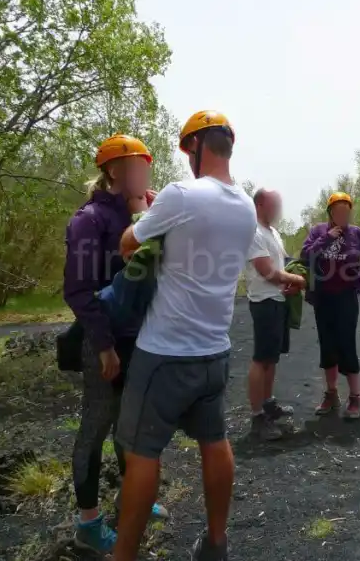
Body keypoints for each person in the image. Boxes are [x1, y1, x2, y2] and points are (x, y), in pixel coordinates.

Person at [112, 111, 256, 561]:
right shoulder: (246, 205)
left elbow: (127, 245)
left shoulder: (179, 195)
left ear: (196, 148)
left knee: (141, 454)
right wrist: (165, 213)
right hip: (214, 352)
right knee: (215, 442)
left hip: (164, 354)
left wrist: (148, 211)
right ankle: (216, 543)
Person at [63, 134, 168, 555]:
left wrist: (154, 213)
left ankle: (132, 500)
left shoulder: (140, 213)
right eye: (138, 166)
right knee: (96, 428)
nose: (145, 173)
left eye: (147, 165)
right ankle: (88, 525)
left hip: (138, 338)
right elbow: (78, 292)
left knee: (130, 427)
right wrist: (104, 346)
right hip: (103, 342)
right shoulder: (88, 220)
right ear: (114, 171)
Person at [301, 192, 360, 420]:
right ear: (330, 213)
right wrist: (327, 238)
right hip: (323, 297)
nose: (342, 214)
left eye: (346, 211)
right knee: (327, 343)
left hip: (346, 297)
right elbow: (306, 256)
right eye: (337, 211)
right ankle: (331, 393)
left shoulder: (358, 234)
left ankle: (355, 397)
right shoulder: (317, 232)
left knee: (346, 343)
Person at [245, 188, 307, 441]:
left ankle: (268, 404)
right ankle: (257, 417)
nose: (279, 209)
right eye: (274, 204)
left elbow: (281, 264)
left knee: (272, 358)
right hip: (264, 301)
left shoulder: (273, 232)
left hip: (279, 300)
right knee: (261, 358)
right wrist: (299, 280)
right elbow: (266, 271)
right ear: (260, 204)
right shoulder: (253, 231)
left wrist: (296, 273)